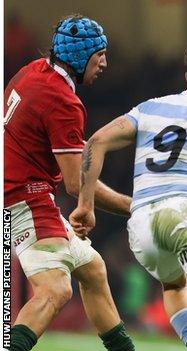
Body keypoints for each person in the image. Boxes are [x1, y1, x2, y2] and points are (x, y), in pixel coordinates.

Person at [70, 37, 187, 351]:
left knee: (174, 283)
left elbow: (95, 142)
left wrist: (86, 204)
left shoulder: (150, 108)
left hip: (142, 227)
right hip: (185, 214)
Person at [3, 15, 135, 351]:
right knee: (56, 289)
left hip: (20, 191)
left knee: (92, 268)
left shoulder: (33, 70)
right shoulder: (63, 101)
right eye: (99, 54)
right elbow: (77, 184)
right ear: (80, 56)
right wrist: (133, 207)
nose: (104, 62)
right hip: (23, 198)